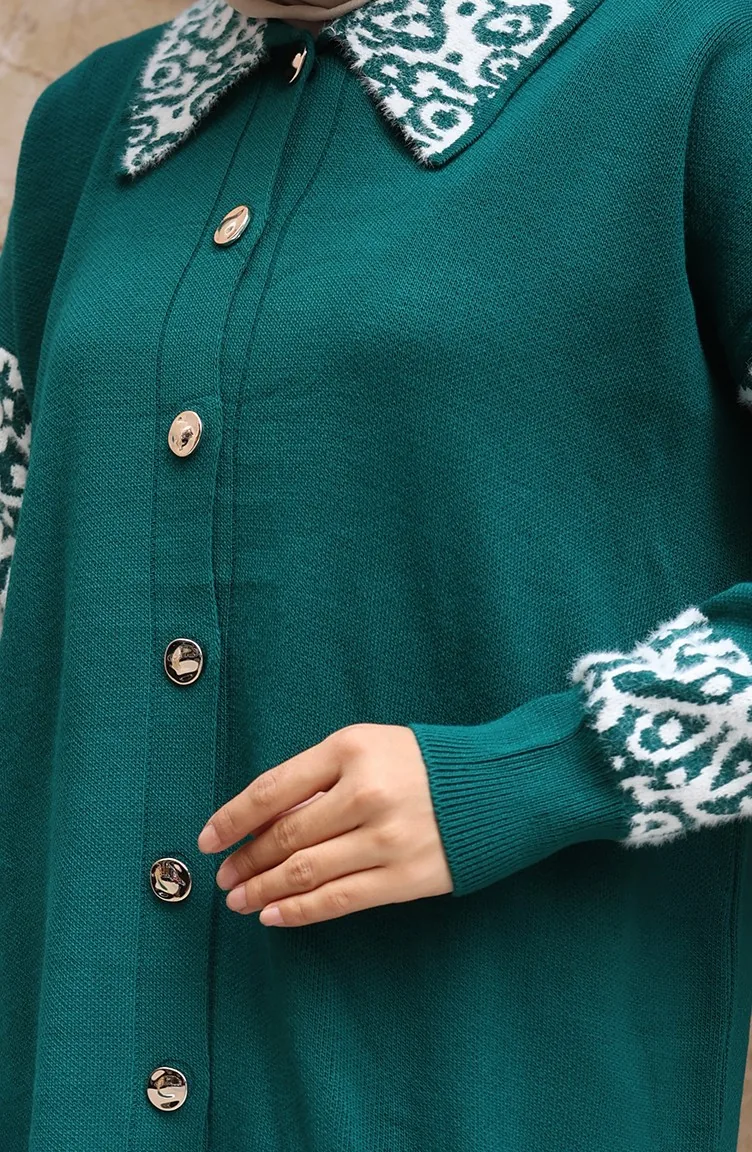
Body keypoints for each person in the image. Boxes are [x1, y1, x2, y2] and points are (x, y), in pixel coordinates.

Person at [1, 0, 751, 1146]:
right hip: (76, 1084)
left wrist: (534, 774)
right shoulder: (89, 121)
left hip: (484, 1082)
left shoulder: (696, 67)